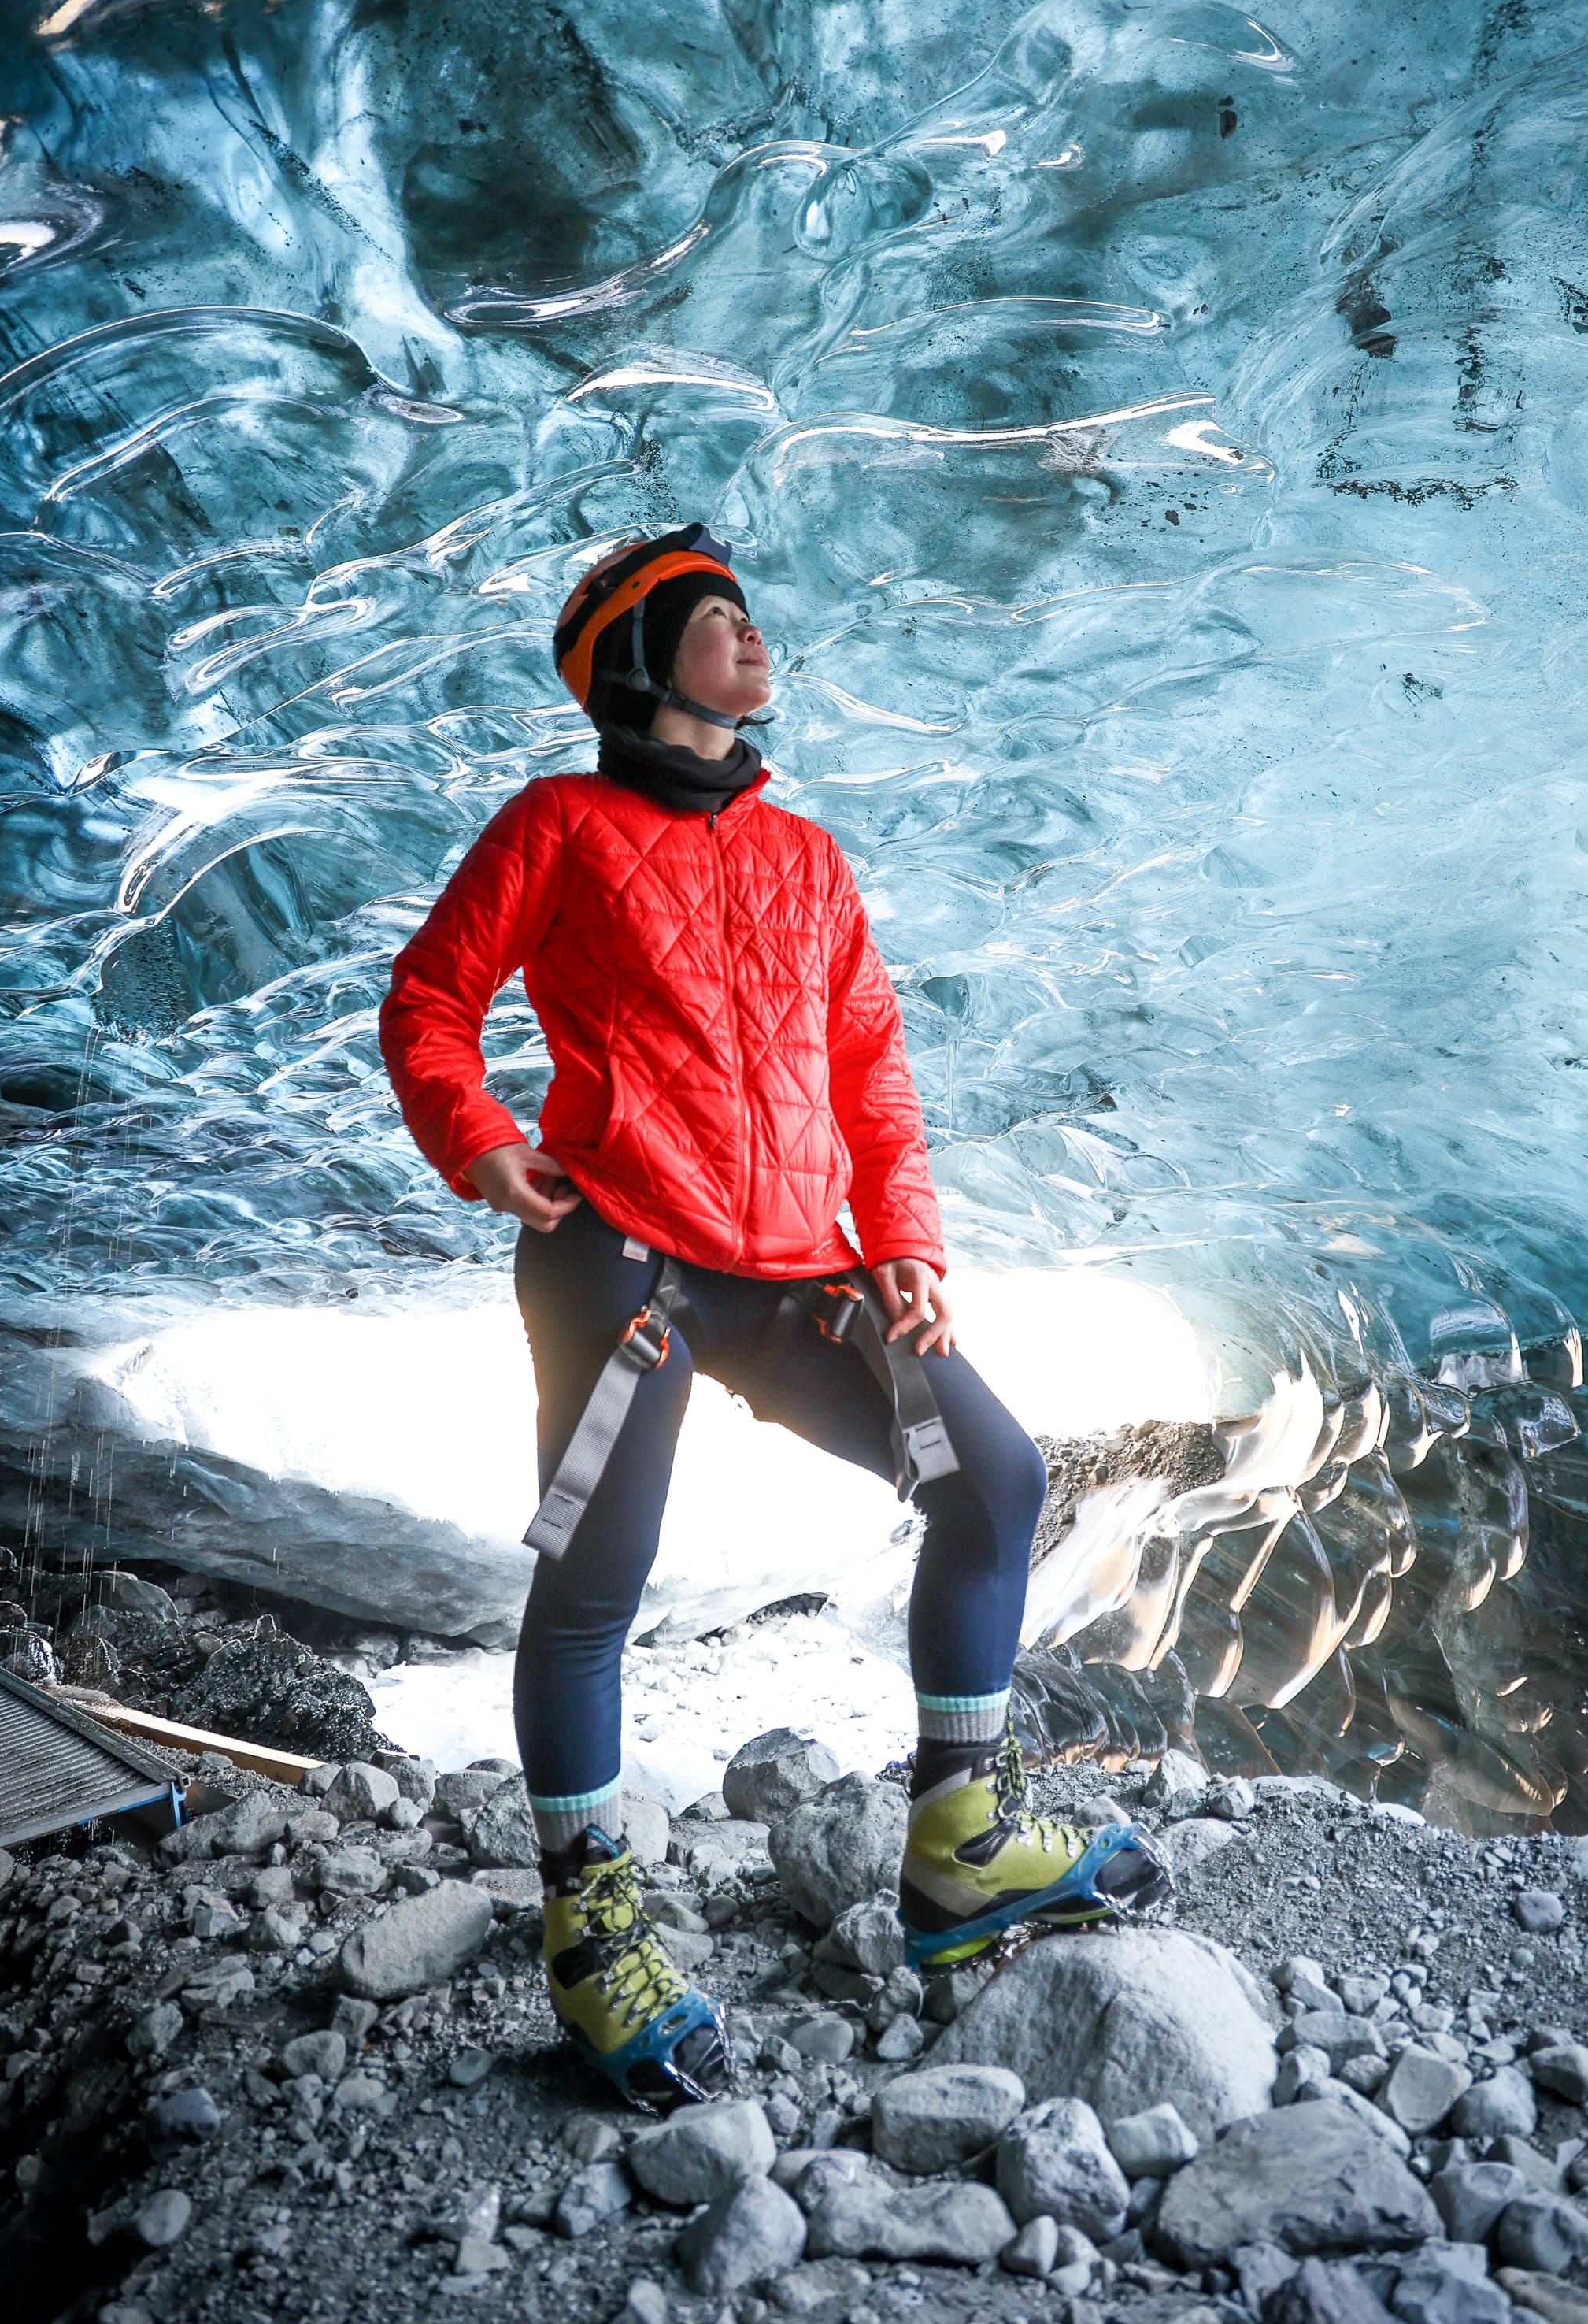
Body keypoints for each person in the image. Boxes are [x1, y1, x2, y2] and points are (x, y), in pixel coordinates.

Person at [378, 523, 1165, 2108]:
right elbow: (429, 998)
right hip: (627, 1259)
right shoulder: (558, 821)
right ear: (641, 659)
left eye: (747, 618)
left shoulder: (805, 854)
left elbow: (867, 1061)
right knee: (596, 1579)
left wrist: (906, 1238)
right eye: (716, 619)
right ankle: (595, 1928)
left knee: (992, 1478)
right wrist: (475, 1139)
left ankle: (958, 1843)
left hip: (806, 1270)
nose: (752, 639)